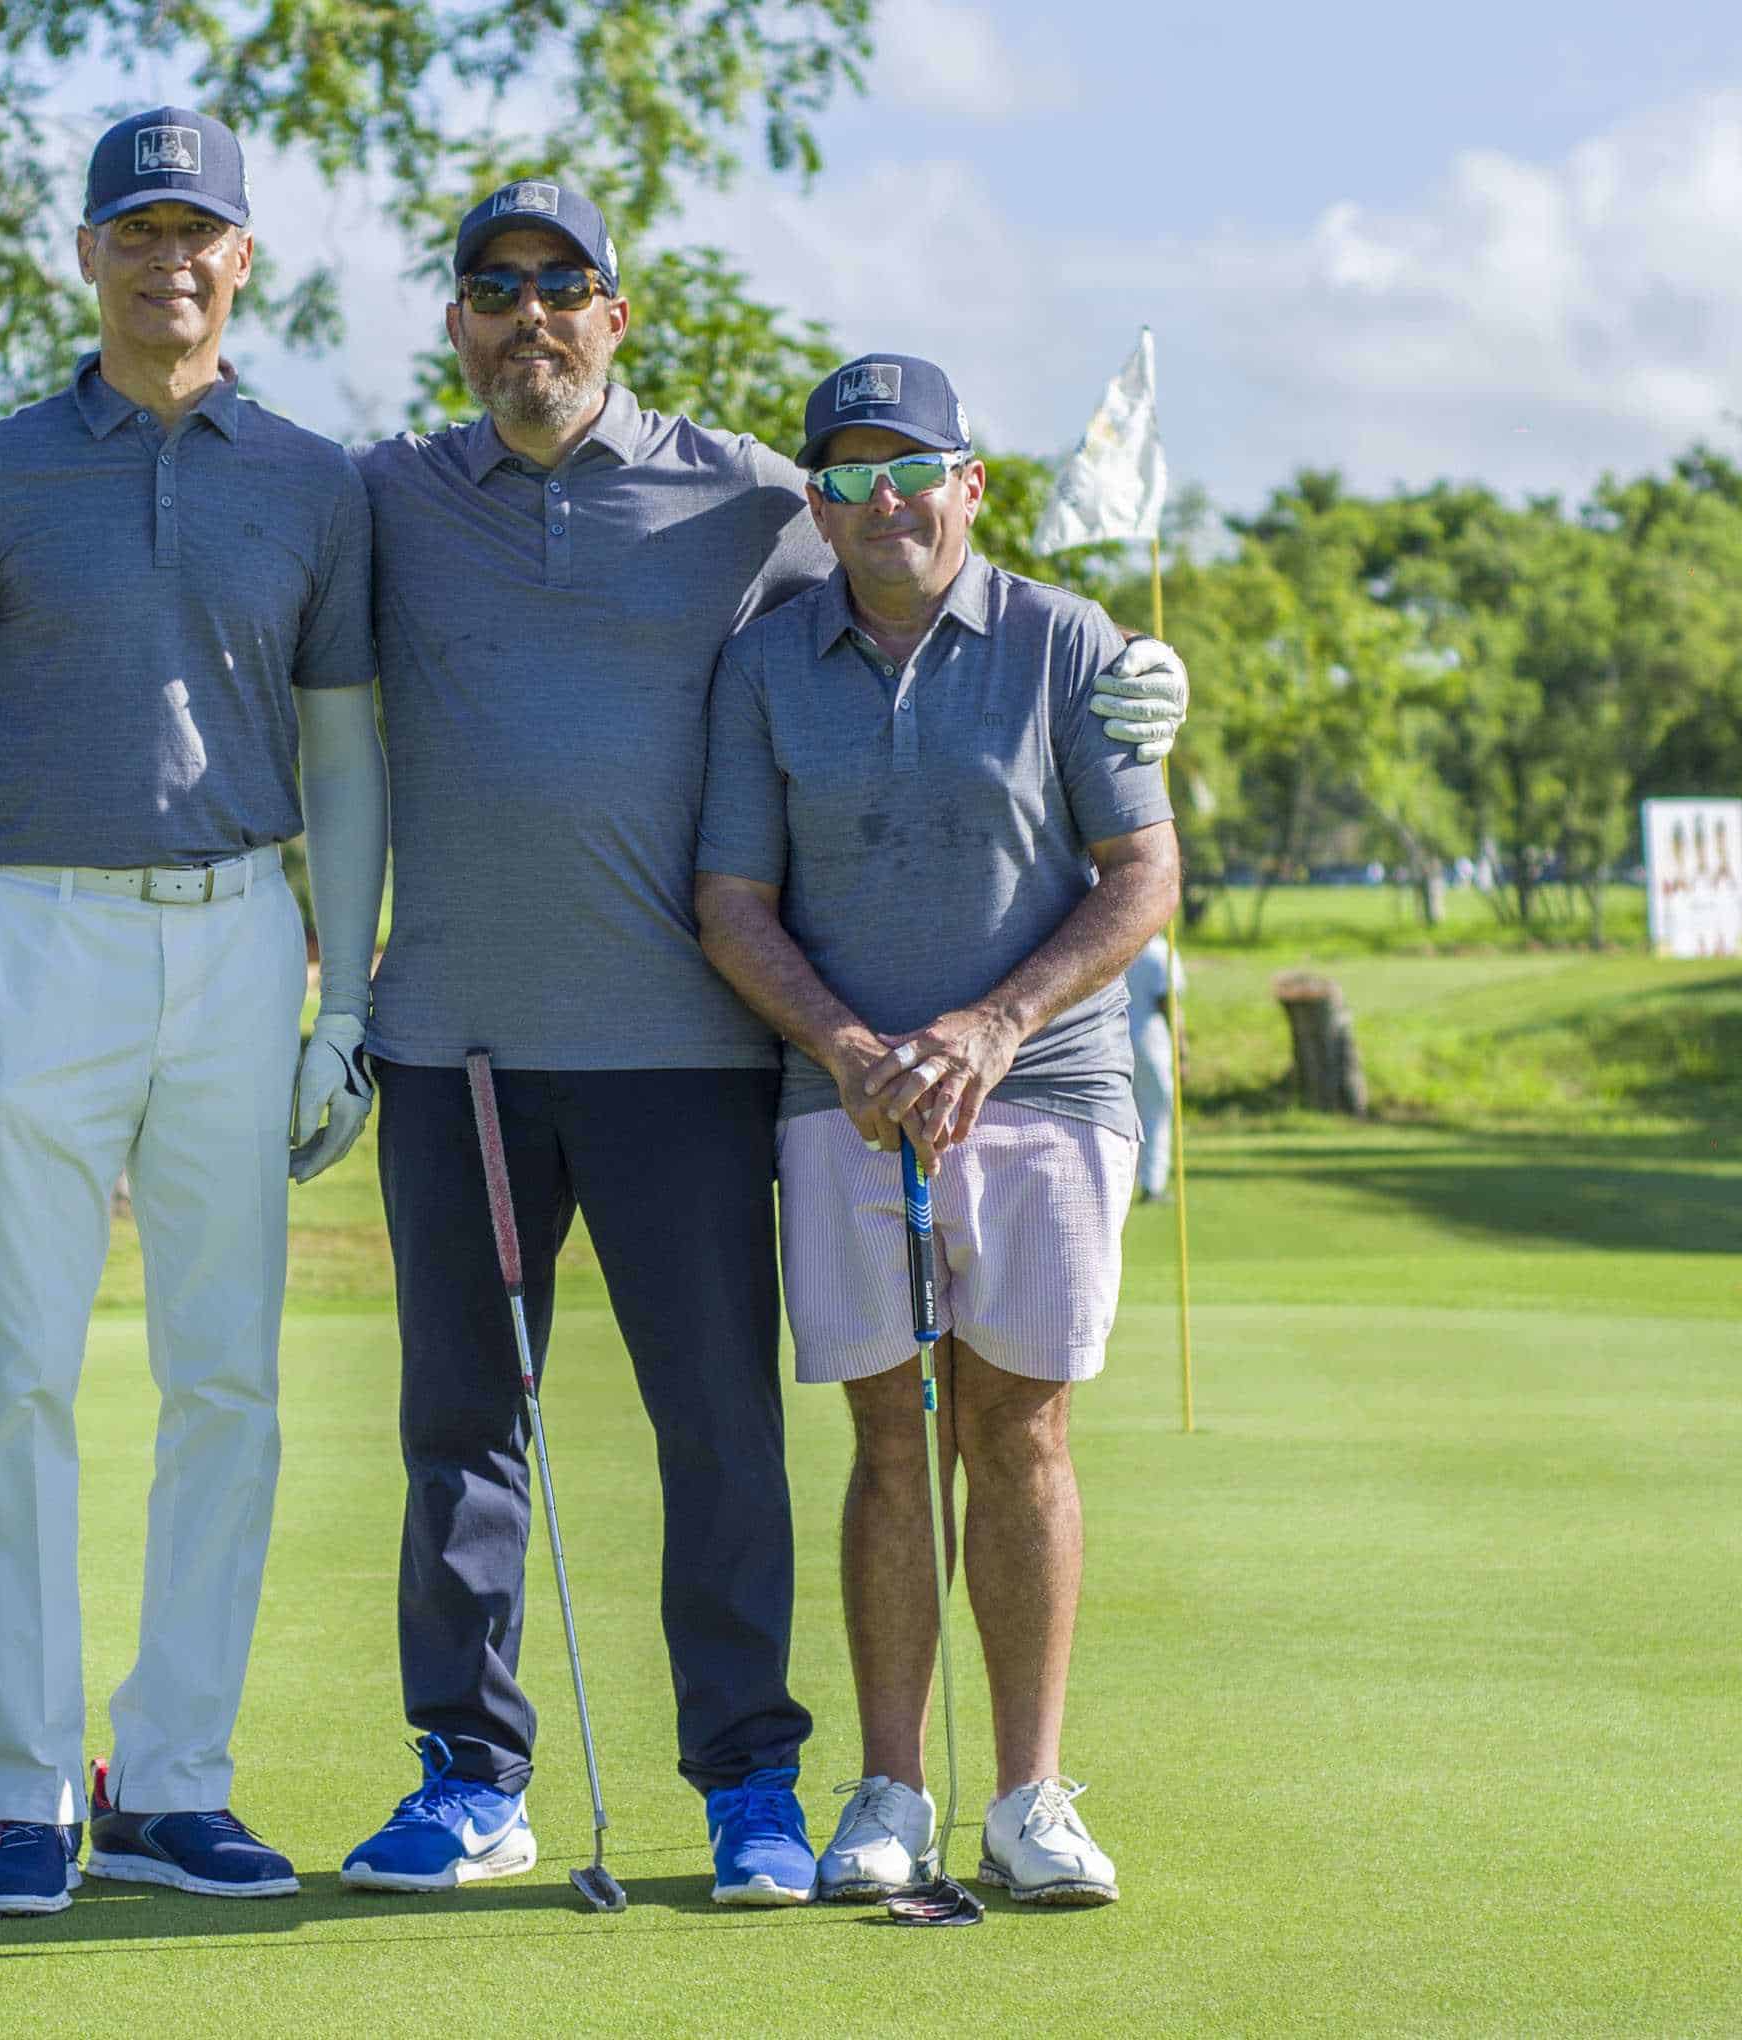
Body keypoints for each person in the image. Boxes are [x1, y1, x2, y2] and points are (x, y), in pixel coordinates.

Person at [0, 179, 1192, 1908]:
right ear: (457, 325)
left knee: (716, 1437)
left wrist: (1123, 667)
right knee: (460, 1439)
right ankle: (469, 1780)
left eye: (563, 285)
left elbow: (919, 564)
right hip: (458, 1052)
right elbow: (198, 497)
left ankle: (748, 1787)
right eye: (494, 292)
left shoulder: (749, 497)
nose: (529, 318)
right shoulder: (380, 491)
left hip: (683, 1050)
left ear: (615, 314)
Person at [0, 108, 387, 1919]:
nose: (170, 261)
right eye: (136, 232)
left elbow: (345, 758)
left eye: (197, 234)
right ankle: (26, 1791)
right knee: (14, 1374)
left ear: (243, 259)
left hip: (242, 941)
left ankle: (170, 1783)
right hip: (31, 940)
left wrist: (345, 1002)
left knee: (225, 1377)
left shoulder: (315, 479)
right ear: (87, 254)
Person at [693, 352, 1182, 1908]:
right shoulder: (767, 664)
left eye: (913, 470)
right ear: (818, 503)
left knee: (1018, 1427)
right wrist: (849, 1048)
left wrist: (993, 1025)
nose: (883, 500)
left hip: (1042, 1087)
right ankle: (891, 1791)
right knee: (891, 1438)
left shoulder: (1065, 639)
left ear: (970, 484)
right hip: (844, 1098)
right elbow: (730, 900)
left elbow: (1143, 873)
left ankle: (1031, 1797)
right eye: (848, 477)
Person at [1124, 932, 1183, 1201]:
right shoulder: (1160, 952)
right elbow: (1169, 1005)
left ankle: (1124, 1183)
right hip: (1150, 1042)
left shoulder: (1120, 944)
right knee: (1156, 1113)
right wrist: (1183, 1052)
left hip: (1116, 1041)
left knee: (1123, 1116)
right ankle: (1153, 1184)